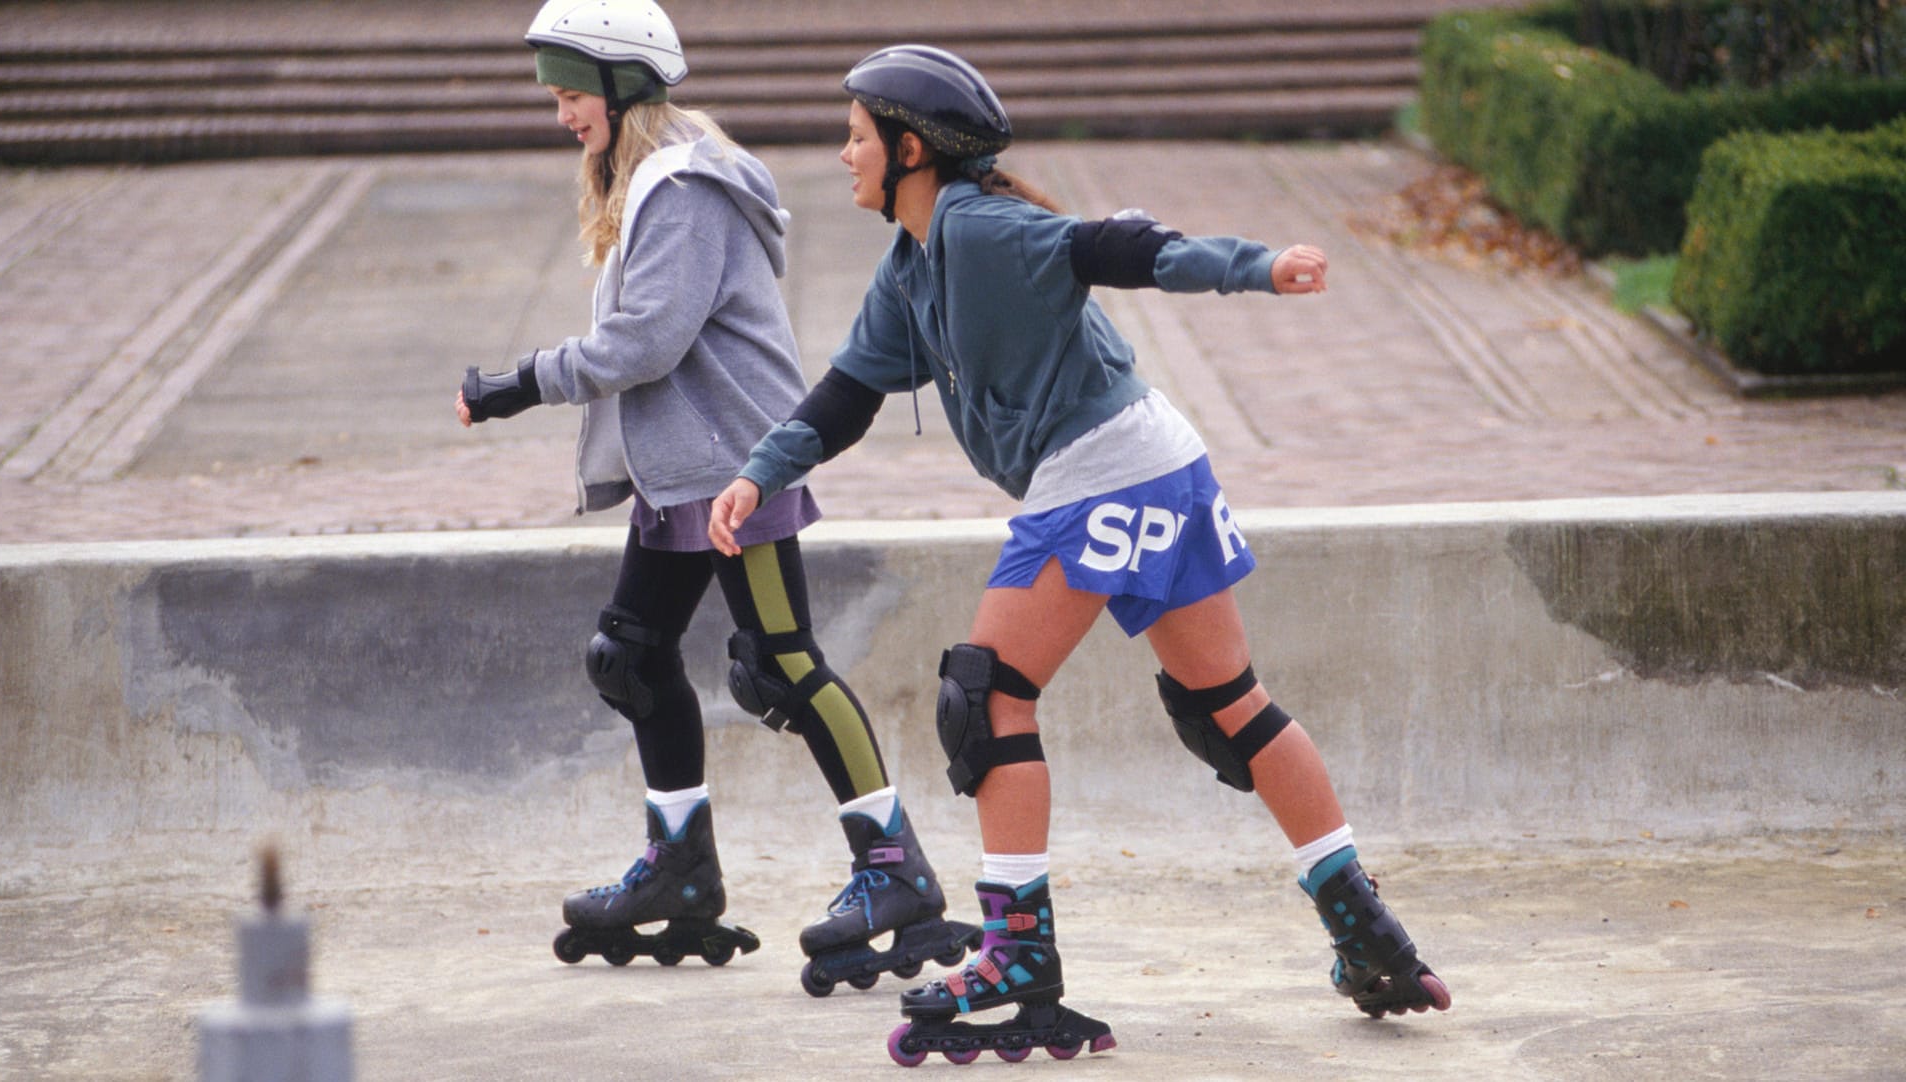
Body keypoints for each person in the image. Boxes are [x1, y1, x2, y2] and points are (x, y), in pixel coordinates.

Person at [710, 44, 1451, 1064]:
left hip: (1104, 470)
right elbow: (846, 394)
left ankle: (1018, 952)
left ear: (911, 148)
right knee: (1229, 705)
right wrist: (762, 469)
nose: (843, 153)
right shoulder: (911, 262)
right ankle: (1366, 928)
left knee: (986, 694)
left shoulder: (979, 227)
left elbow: (1116, 247)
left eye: (857, 135)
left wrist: (1257, 268)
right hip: (1160, 455)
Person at [457, 2, 977, 992]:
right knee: (632, 655)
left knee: (782, 666)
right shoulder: (643, 174)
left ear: (621, 85)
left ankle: (893, 866)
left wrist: (515, 382)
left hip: (738, 468)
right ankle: (682, 868)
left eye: (573, 96)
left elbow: (644, 340)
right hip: (678, 470)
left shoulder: (684, 184)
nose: (563, 114)